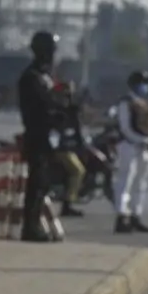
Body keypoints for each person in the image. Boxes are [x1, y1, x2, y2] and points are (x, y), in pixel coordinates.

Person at [17, 31, 68, 242]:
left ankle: (36, 223)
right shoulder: (32, 77)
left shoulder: (46, 76)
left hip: (48, 136)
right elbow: (41, 107)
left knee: (44, 183)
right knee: (36, 184)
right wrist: (57, 107)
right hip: (37, 135)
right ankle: (30, 227)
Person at [113, 70, 148, 234]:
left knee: (141, 183)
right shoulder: (126, 103)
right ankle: (122, 216)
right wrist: (142, 140)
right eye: (143, 83)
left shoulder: (144, 103)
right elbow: (125, 128)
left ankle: (136, 215)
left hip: (144, 148)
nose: (145, 87)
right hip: (129, 145)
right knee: (126, 181)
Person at [52, 81, 86, 217]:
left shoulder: (71, 111)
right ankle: (68, 203)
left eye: (67, 95)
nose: (65, 98)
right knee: (78, 171)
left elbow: (76, 131)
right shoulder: (55, 110)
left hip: (68, 146)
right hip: (61, 149)